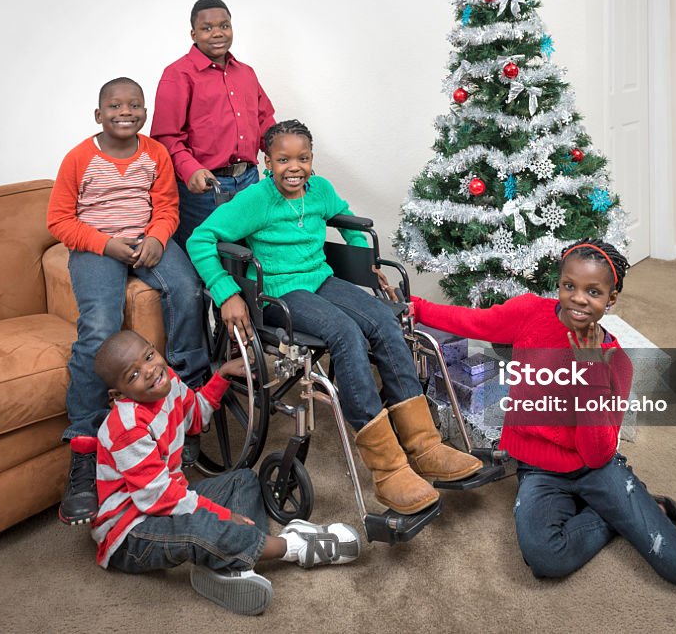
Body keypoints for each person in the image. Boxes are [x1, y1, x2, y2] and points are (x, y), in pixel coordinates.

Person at [409, 239, 676, 586]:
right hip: (537, 470)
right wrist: (413, 306)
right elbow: (471, 321)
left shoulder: (615, 362)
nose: (578, 299)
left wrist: (590, 373)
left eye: (593, 292)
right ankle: (642, 512)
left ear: (612, 298)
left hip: (597, 469)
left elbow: (596, 454)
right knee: (545, 560)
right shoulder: (529, 315)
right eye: (569, 285)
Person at [187, 120, 483, 515]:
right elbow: (200, 239)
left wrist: (367, 263)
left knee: (381, 319)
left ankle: (425, 446)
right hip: (279, 290)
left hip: (320, 278)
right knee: (346, 333)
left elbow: (346, 219)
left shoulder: (321, 190)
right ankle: (388, 469)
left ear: (312, 160)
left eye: (303, 158)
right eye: (283, 159)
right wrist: (226, 293)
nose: (294, 167)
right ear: (266, 161)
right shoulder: (255, 200)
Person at [92, 330, 360, 616]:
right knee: (199, 527)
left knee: (242, 479)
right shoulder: (127, 428)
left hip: (167, 496)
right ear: (118, 394)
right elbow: (158, 501)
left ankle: (233, 564)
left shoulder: (166, 380)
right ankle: (292, 546)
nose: (149, 371)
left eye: (149, 356)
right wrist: (222, 515)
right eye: (133, 375)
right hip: (130, 531)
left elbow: (195, 415)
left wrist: (222, 375)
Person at [47, 77, 211, 526]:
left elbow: (167, 207)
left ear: (145, 112)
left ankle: (186, 398)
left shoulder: (155, 152)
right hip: (96, 245)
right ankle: (84, 445)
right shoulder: (79, 158)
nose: (126, 112)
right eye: (115, 106)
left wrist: (159, 238)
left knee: (188, 290)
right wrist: (104, 244)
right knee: (99, 326)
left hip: (147, 239)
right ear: (98, 114)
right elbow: (59, 220)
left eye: (135, 105)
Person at [151, 0, 276, 250]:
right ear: (193, 33)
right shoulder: (177, 74)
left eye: (224, 25)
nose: (217, 33)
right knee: (206, 259)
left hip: (250, 183)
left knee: (250, 256)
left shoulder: (246, 73)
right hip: (206, 189)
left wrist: (285, 158)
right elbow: (166, 137)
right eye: (207, 28)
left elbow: (266, 122)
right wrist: (191, 170)